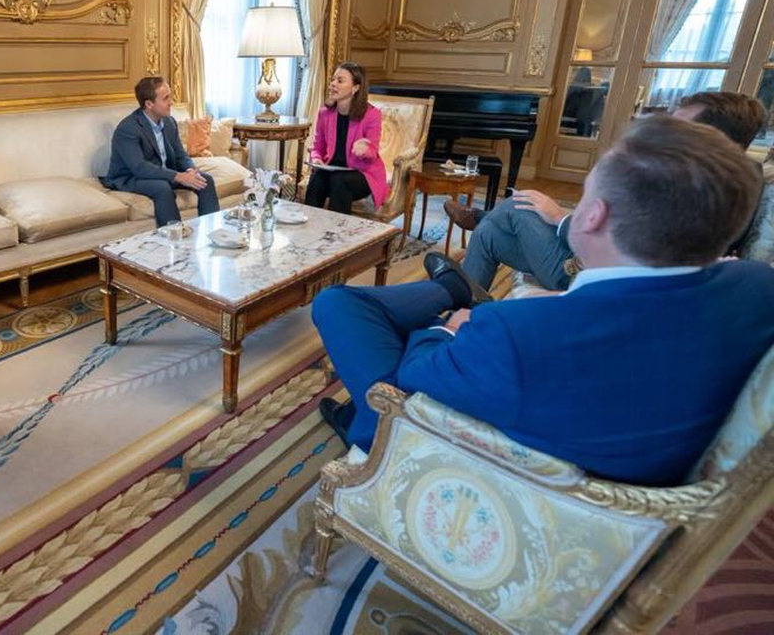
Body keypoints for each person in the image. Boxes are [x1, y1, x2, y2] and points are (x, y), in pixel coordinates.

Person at [313, 115, 774, 487]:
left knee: (341, 307)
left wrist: (450, 327)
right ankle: (450, 291)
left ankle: (369, 427)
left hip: (468, 454)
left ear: (594, 214)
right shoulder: (756, 289)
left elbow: (414, 376)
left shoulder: (516, 335)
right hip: (593, 421)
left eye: (588, 187)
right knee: (358, 306)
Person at [446, 91, 769, 290]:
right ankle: (461, 303)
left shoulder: (711, 191)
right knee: (490, 233)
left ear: (711, 137)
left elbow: (630, 246)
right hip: (595, 261)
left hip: (593, 275)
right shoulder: (726, 177)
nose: (666, 131)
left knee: (519, 205)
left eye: (679, 127)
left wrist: (560, 217)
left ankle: (478, 223)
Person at [101, 76, 219, 226]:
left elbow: (180, 155)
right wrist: (177, 176)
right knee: (162, 187)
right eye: (166, 98)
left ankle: (212, 232)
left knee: (205, 180)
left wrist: (190, 170)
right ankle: (174, 236)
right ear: (149, 104)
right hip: (130, 177)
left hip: (163, 173)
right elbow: (139, 168)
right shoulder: (128, 129)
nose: (171, 102)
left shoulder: (169, 122)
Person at [303, 62, 387, 214]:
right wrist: (316, 159)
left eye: (340, 81)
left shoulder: (372, 115)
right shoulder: (325, 113)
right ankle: (309, 227)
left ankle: (337, 233)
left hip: (363, 174)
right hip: (333, 169)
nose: (333, 84)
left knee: (339, 180)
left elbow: (372, 153)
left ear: (355, 88)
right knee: (317, 179)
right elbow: (318, 147)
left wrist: (364, 149)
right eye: (333, 79)